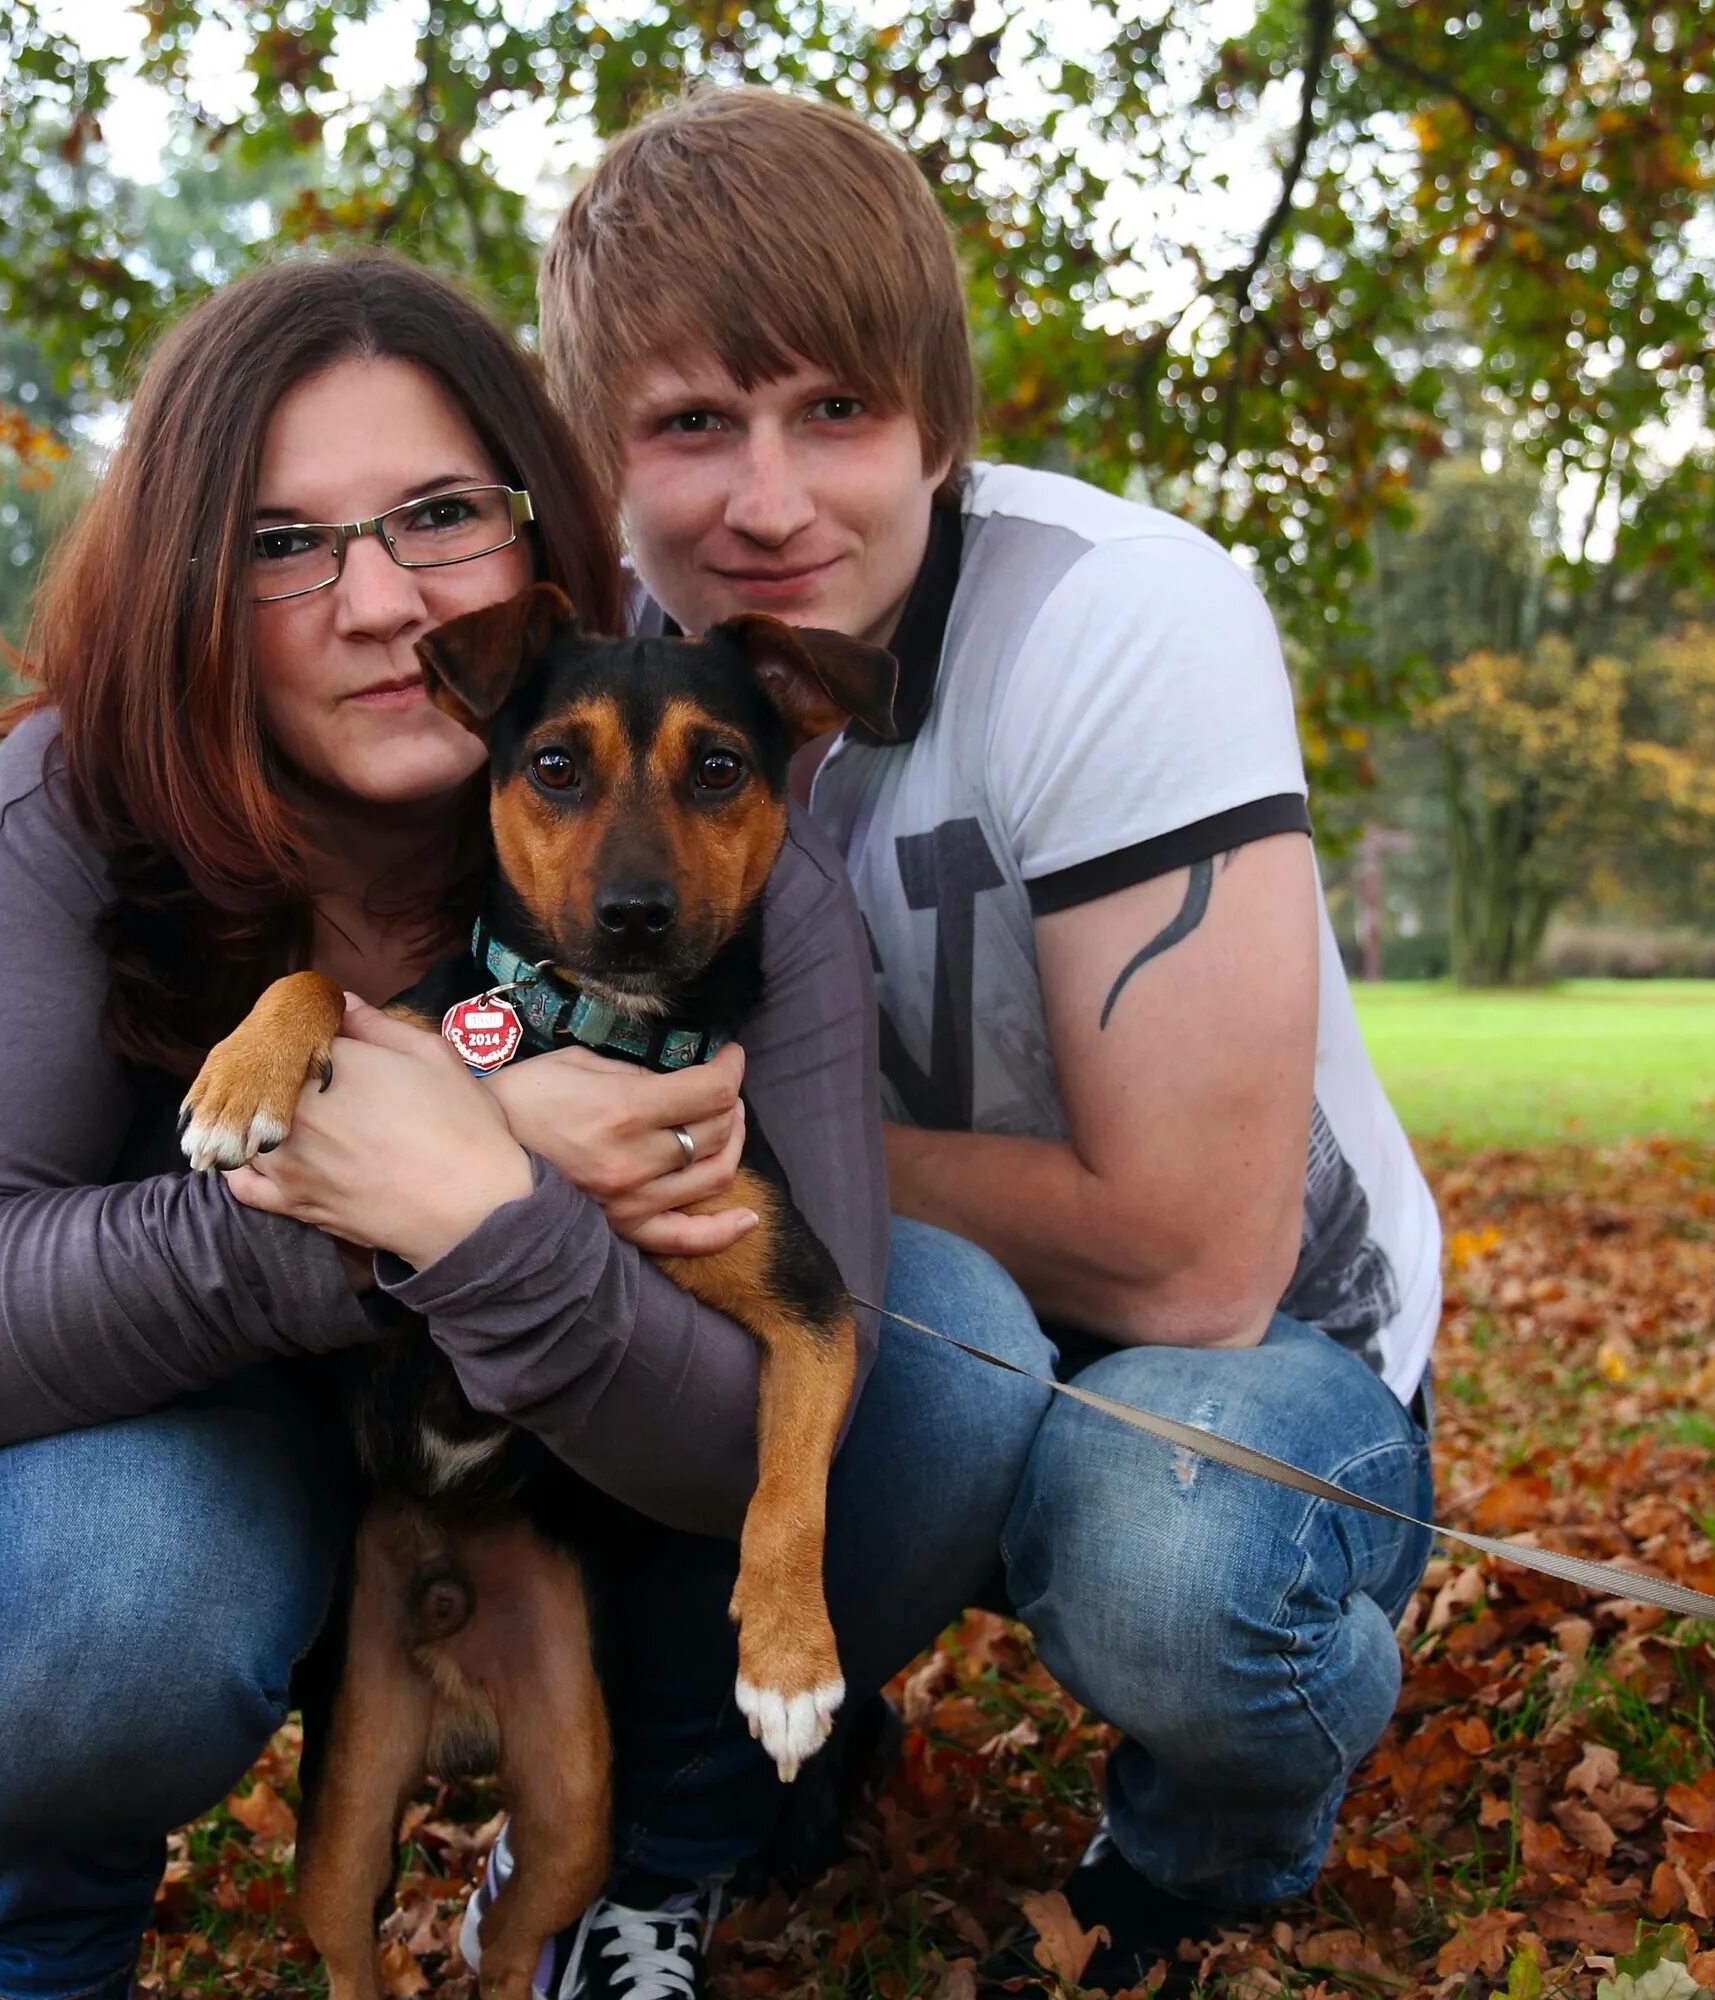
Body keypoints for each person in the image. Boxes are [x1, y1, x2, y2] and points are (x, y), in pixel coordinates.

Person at [0, 252, 894, 2000]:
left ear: (544, 541)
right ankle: (40, 1950)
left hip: (466, 1487)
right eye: (283, 541)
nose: (381, 604)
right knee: (110, 1584)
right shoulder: (77, 808)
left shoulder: (707, 864)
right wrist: (416, 1181)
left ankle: (640, 1884)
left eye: (441, 516)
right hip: (109, 1450)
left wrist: (498, 1218)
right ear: (187, 580)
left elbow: (740, 1431)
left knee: (938, 1369)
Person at [517, 87, 1447, 1993]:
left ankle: (1214, 1832)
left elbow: (1195, 1252)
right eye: (694, 423)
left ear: (938, 422)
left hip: (1247, 1349)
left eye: (834, 413)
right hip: (913, 1304)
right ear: (601, 454)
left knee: (1177, 1567)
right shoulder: (594, 680)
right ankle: (769, 1748)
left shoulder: (1115, 619)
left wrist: (702, 1128)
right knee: (796, 1313)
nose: (768, 501)